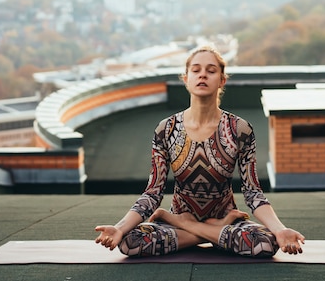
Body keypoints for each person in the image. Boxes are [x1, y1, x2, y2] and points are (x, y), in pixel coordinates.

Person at [94, 45, 305, 258]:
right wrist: (120, 228)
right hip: (193, 223)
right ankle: (204, 230)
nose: (203, 74)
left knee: (266, 243)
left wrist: (279, 229)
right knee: (130, 242)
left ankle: (192, 226)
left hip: (225, 219)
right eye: (196, 70)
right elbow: (153, 191)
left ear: (222, 80)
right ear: (186, 78)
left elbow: (252, 191)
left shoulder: (239, 129)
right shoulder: (166, 129)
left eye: (211, 70)